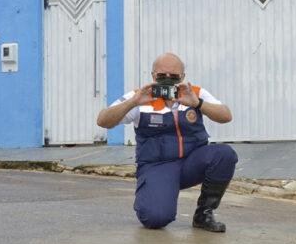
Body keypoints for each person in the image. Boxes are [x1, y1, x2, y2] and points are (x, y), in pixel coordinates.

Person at [96, 53, 237, 232]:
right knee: (155, 218)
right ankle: (155, 193)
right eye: (162, 76)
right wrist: (133, 102)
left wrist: (198, 103)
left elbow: (226, 115)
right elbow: (103, 120)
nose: (168, 81)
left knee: (224, 154)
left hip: (191, 163)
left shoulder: (194, 93)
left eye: (174, 77)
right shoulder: (140, 97)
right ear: (153, 76)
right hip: (158, 166)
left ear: (183, 77)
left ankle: (204, 214)